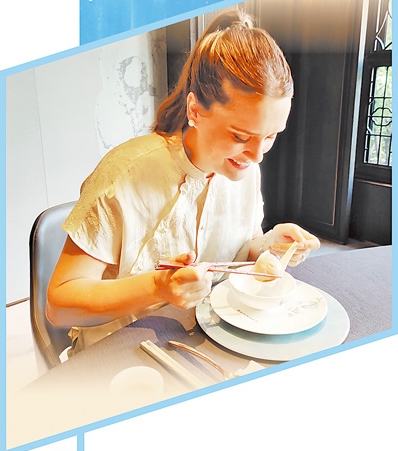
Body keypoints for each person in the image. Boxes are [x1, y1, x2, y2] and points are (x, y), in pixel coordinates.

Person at [46, 10, 320, 348]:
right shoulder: (123, 175)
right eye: (240, 136)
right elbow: (59, 306)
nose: (257, 155)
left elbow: (241, 249)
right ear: (195, 110)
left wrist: (270, 245)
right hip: (119, 350)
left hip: (203, 337)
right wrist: (158, 287)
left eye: (270, 136)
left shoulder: (245, 168)